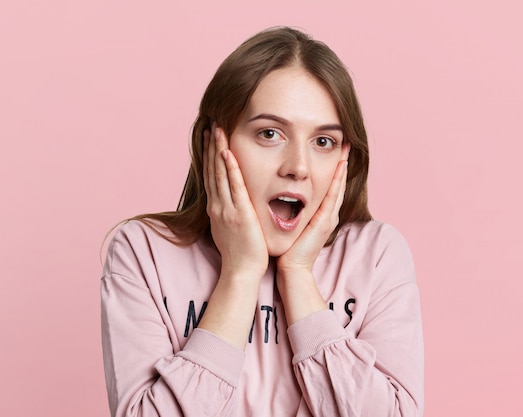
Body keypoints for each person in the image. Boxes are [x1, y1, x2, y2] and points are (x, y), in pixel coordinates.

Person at [101, 26, 424, 417]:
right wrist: (240, 273)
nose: (298, 168)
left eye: (323, 142)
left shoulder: (376, 255)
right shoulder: (143, 251)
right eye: (270, 133)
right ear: (214, 142)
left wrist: (299, 274)